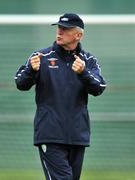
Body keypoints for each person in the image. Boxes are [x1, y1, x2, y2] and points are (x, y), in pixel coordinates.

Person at [15, 13, 106, 180]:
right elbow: (20, 83)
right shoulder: (41, 57)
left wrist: (83, 72)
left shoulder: (88, 60)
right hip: (50, 134)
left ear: (78, 35)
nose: (60, 32)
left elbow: (99, 87)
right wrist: (31, 71)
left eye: (65, 29)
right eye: (59, 28)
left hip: (77, 135)